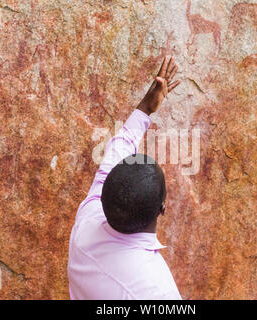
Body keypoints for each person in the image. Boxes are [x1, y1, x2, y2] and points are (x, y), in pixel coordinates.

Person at [67, 56, 182, 299]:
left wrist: (146, 108)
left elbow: (120, 146)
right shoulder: (157, 290)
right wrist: (148, 107)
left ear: (104, 195)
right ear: (162, 208)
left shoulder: (89, 217)